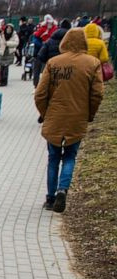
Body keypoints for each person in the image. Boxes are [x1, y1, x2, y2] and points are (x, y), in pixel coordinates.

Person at [34, 28, 104, 213]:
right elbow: (97, 94)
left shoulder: (53, 62)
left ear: (64, 41)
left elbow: (40, 94)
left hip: (55, 116)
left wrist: (45, 113)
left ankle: (50, 199)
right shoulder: (92, 63)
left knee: (53, 158)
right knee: (70, 156)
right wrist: (90, 114)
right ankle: (62, 189)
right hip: (77, 116)